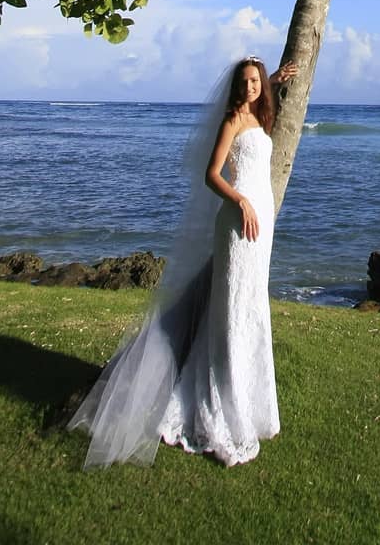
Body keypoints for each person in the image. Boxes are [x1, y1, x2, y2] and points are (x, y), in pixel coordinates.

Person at [68, 54, 299, 468]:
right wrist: (241, 201)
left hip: (261, 222)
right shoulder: (232, 121)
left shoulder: (263, 116)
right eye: (244, 81)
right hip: (238, 219)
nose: (249, 87)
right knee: (231, 309)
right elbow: (212, 174)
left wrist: (276, 79)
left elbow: (265, 110)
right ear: (235, 87)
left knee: (249, 306)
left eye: (254, 82)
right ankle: (217, 403)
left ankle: (250, 399)